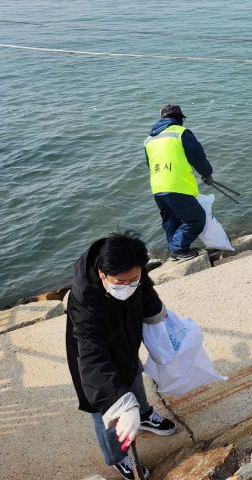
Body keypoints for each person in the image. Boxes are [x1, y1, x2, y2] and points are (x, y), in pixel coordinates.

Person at [65, 232, 176, 480]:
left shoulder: (134, 272)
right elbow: (93, 358)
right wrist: (119, 404)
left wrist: (156, 313)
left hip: (125, 336)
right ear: (103, 275)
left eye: (132, 280)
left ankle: (144, 414)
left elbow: (144, 289)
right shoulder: (85, 302)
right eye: (120, 282)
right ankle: (117, 457)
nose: (127, 287)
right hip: (95, 353)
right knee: (103, 409)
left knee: (133, 373)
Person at [144, 104, 214, 260]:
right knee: (196, 219)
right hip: (176, 185)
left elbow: (149, 164)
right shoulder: (181, 132)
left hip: (157, 187)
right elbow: (197, 157)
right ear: (179, 119)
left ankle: (173, 252)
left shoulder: (149, 139)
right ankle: (178, 249)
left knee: (171, 221)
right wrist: (207, 174)